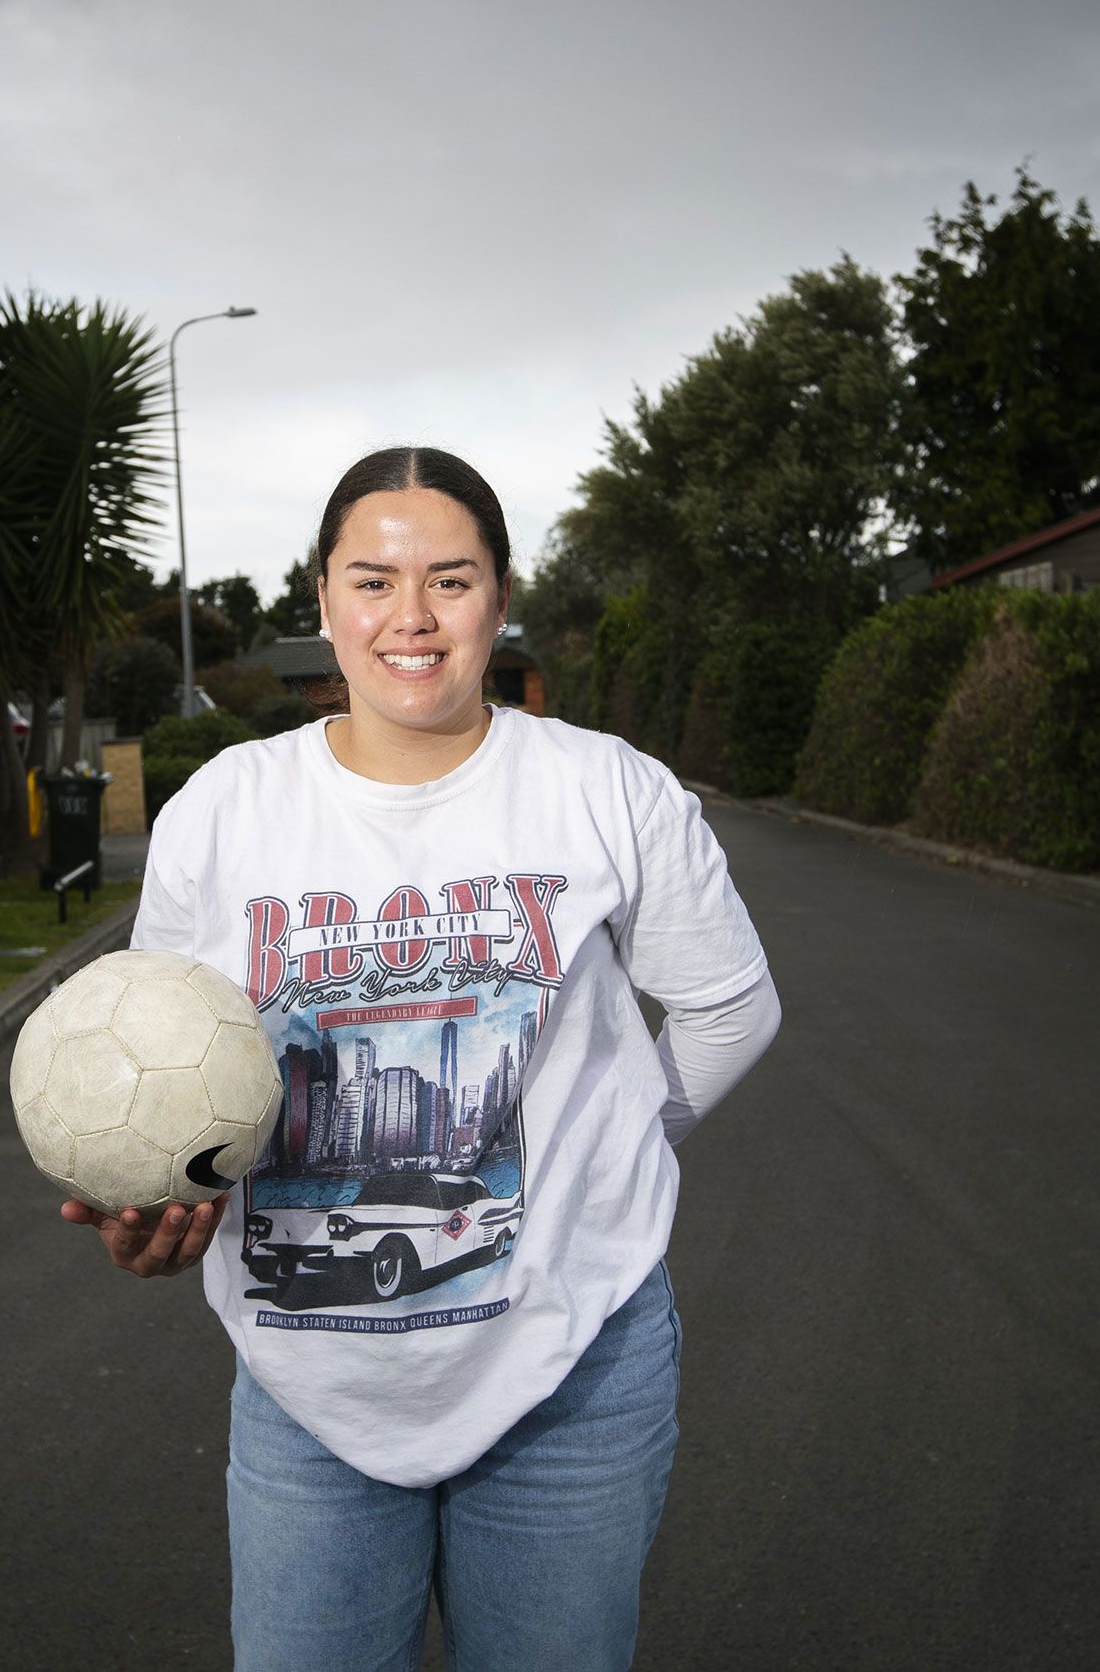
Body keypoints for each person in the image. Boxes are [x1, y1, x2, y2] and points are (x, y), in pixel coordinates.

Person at [61, 445, 780, 1671]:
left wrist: (607, 1148)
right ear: (325, 600)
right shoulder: (227, 809)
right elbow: (170, 1052)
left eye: (450, 580)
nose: (410, 617)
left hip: (574, 1373)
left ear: (499, 600)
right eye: (373, 579)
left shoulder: (607, 789)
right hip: (307, 1395)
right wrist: (164, 1193)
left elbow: (729, 1009)